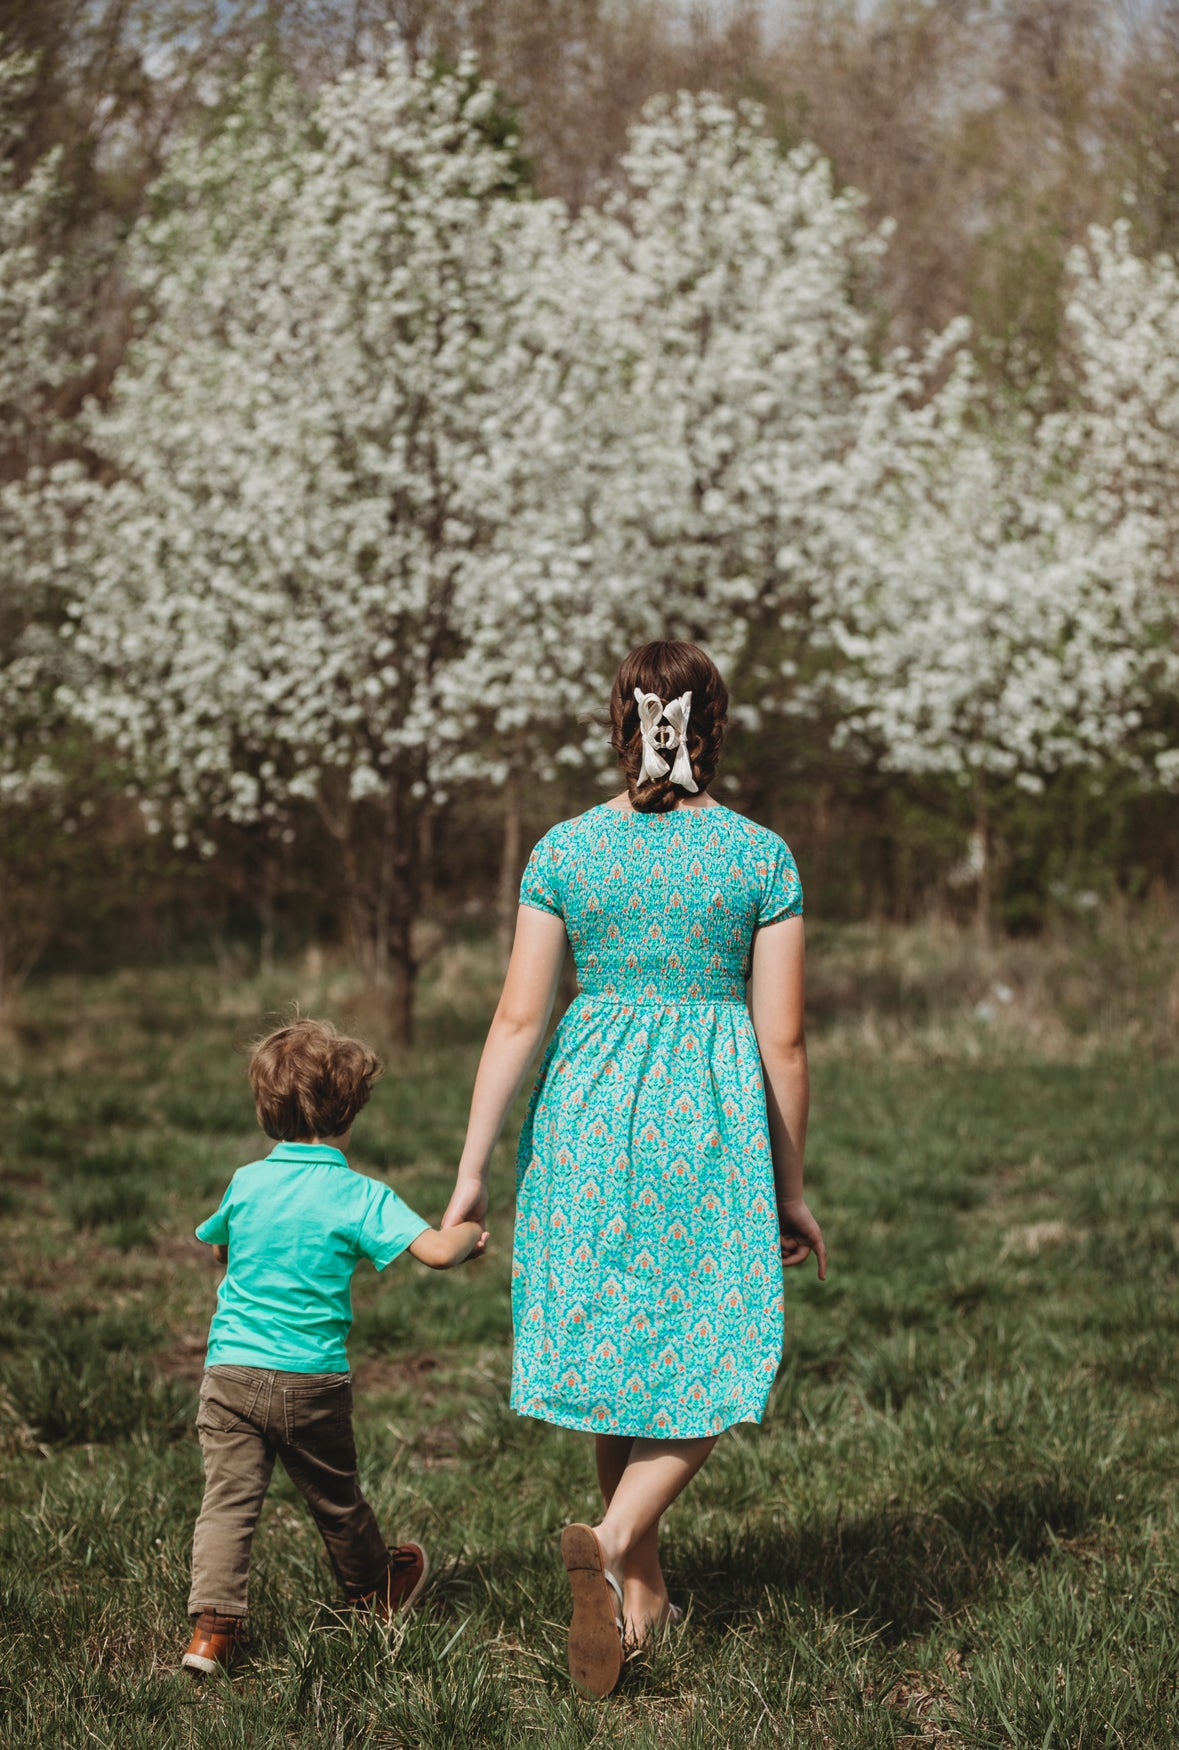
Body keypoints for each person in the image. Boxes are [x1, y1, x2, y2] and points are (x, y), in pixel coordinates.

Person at [441, 639, 826, 1696]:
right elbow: (783, 1042)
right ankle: (614, 1542)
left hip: (586, 1106)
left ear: (624, 723)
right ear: (716, 724)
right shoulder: (760, 858)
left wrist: (472, 1167)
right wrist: (790, 1186)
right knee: (721, 1336)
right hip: (703, 1116)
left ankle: (636, 1592)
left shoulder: (565, 849)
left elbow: (520, 1013)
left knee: (622, 1340)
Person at [182, 1017, 485, 1677]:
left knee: (228, 1501)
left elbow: (217, 1244)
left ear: (269, 1113)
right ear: (350, 1112)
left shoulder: (246, 1181)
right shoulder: (360, 1194)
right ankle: (374, 1592)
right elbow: (435, 1252)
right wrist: (469, 1235)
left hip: (231, 1372)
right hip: (310, 1383)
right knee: (335, 1497)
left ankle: (211, 1631)